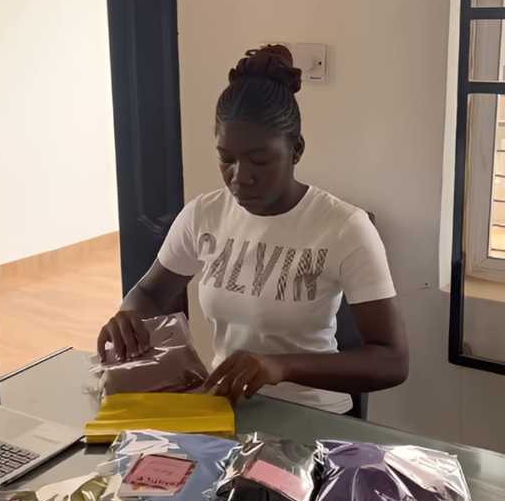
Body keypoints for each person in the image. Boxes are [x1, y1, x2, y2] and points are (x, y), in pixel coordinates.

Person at [97, 45, 408, 414]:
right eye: (226, 159)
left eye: (259, 160)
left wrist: (279, 367)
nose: (240, 177)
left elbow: (392, 360)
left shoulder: (344, 228)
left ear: (296, 150)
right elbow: (150, 292)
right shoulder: (204, 215)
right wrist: (128, 315)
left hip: (311, 415)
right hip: (224, 409)